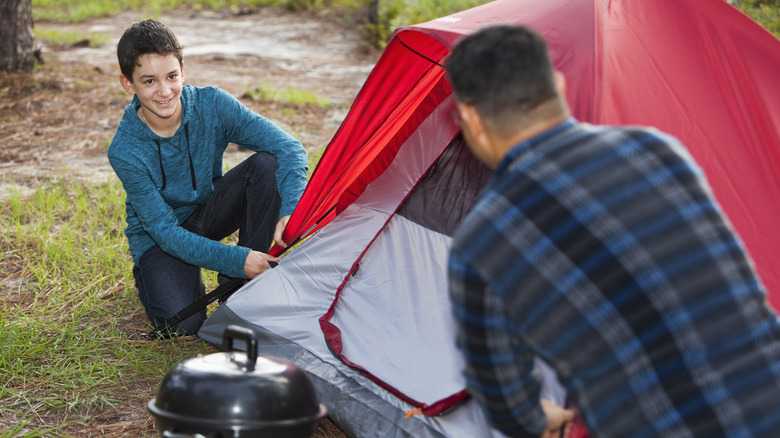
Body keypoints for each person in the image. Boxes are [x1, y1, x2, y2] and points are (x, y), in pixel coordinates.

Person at [445, 25, 780, 438]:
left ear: (472, 119)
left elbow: (505, 400)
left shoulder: (480, 244)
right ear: (561, 86)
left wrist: (537, 417)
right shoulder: (657, 150)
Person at [108, 19, 308, 335]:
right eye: (149, 81)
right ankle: (154, 274)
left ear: (183, 70)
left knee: (267, 165)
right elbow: (164, 231)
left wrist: (291, 208)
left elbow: (288, 148)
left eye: (172, 76)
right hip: (161, 238)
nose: (164, 91)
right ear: (128, 84)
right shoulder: (125, 150)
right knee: (184, 323)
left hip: (207, 212)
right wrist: (237, 258)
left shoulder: (211, 104)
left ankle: (238, 289)